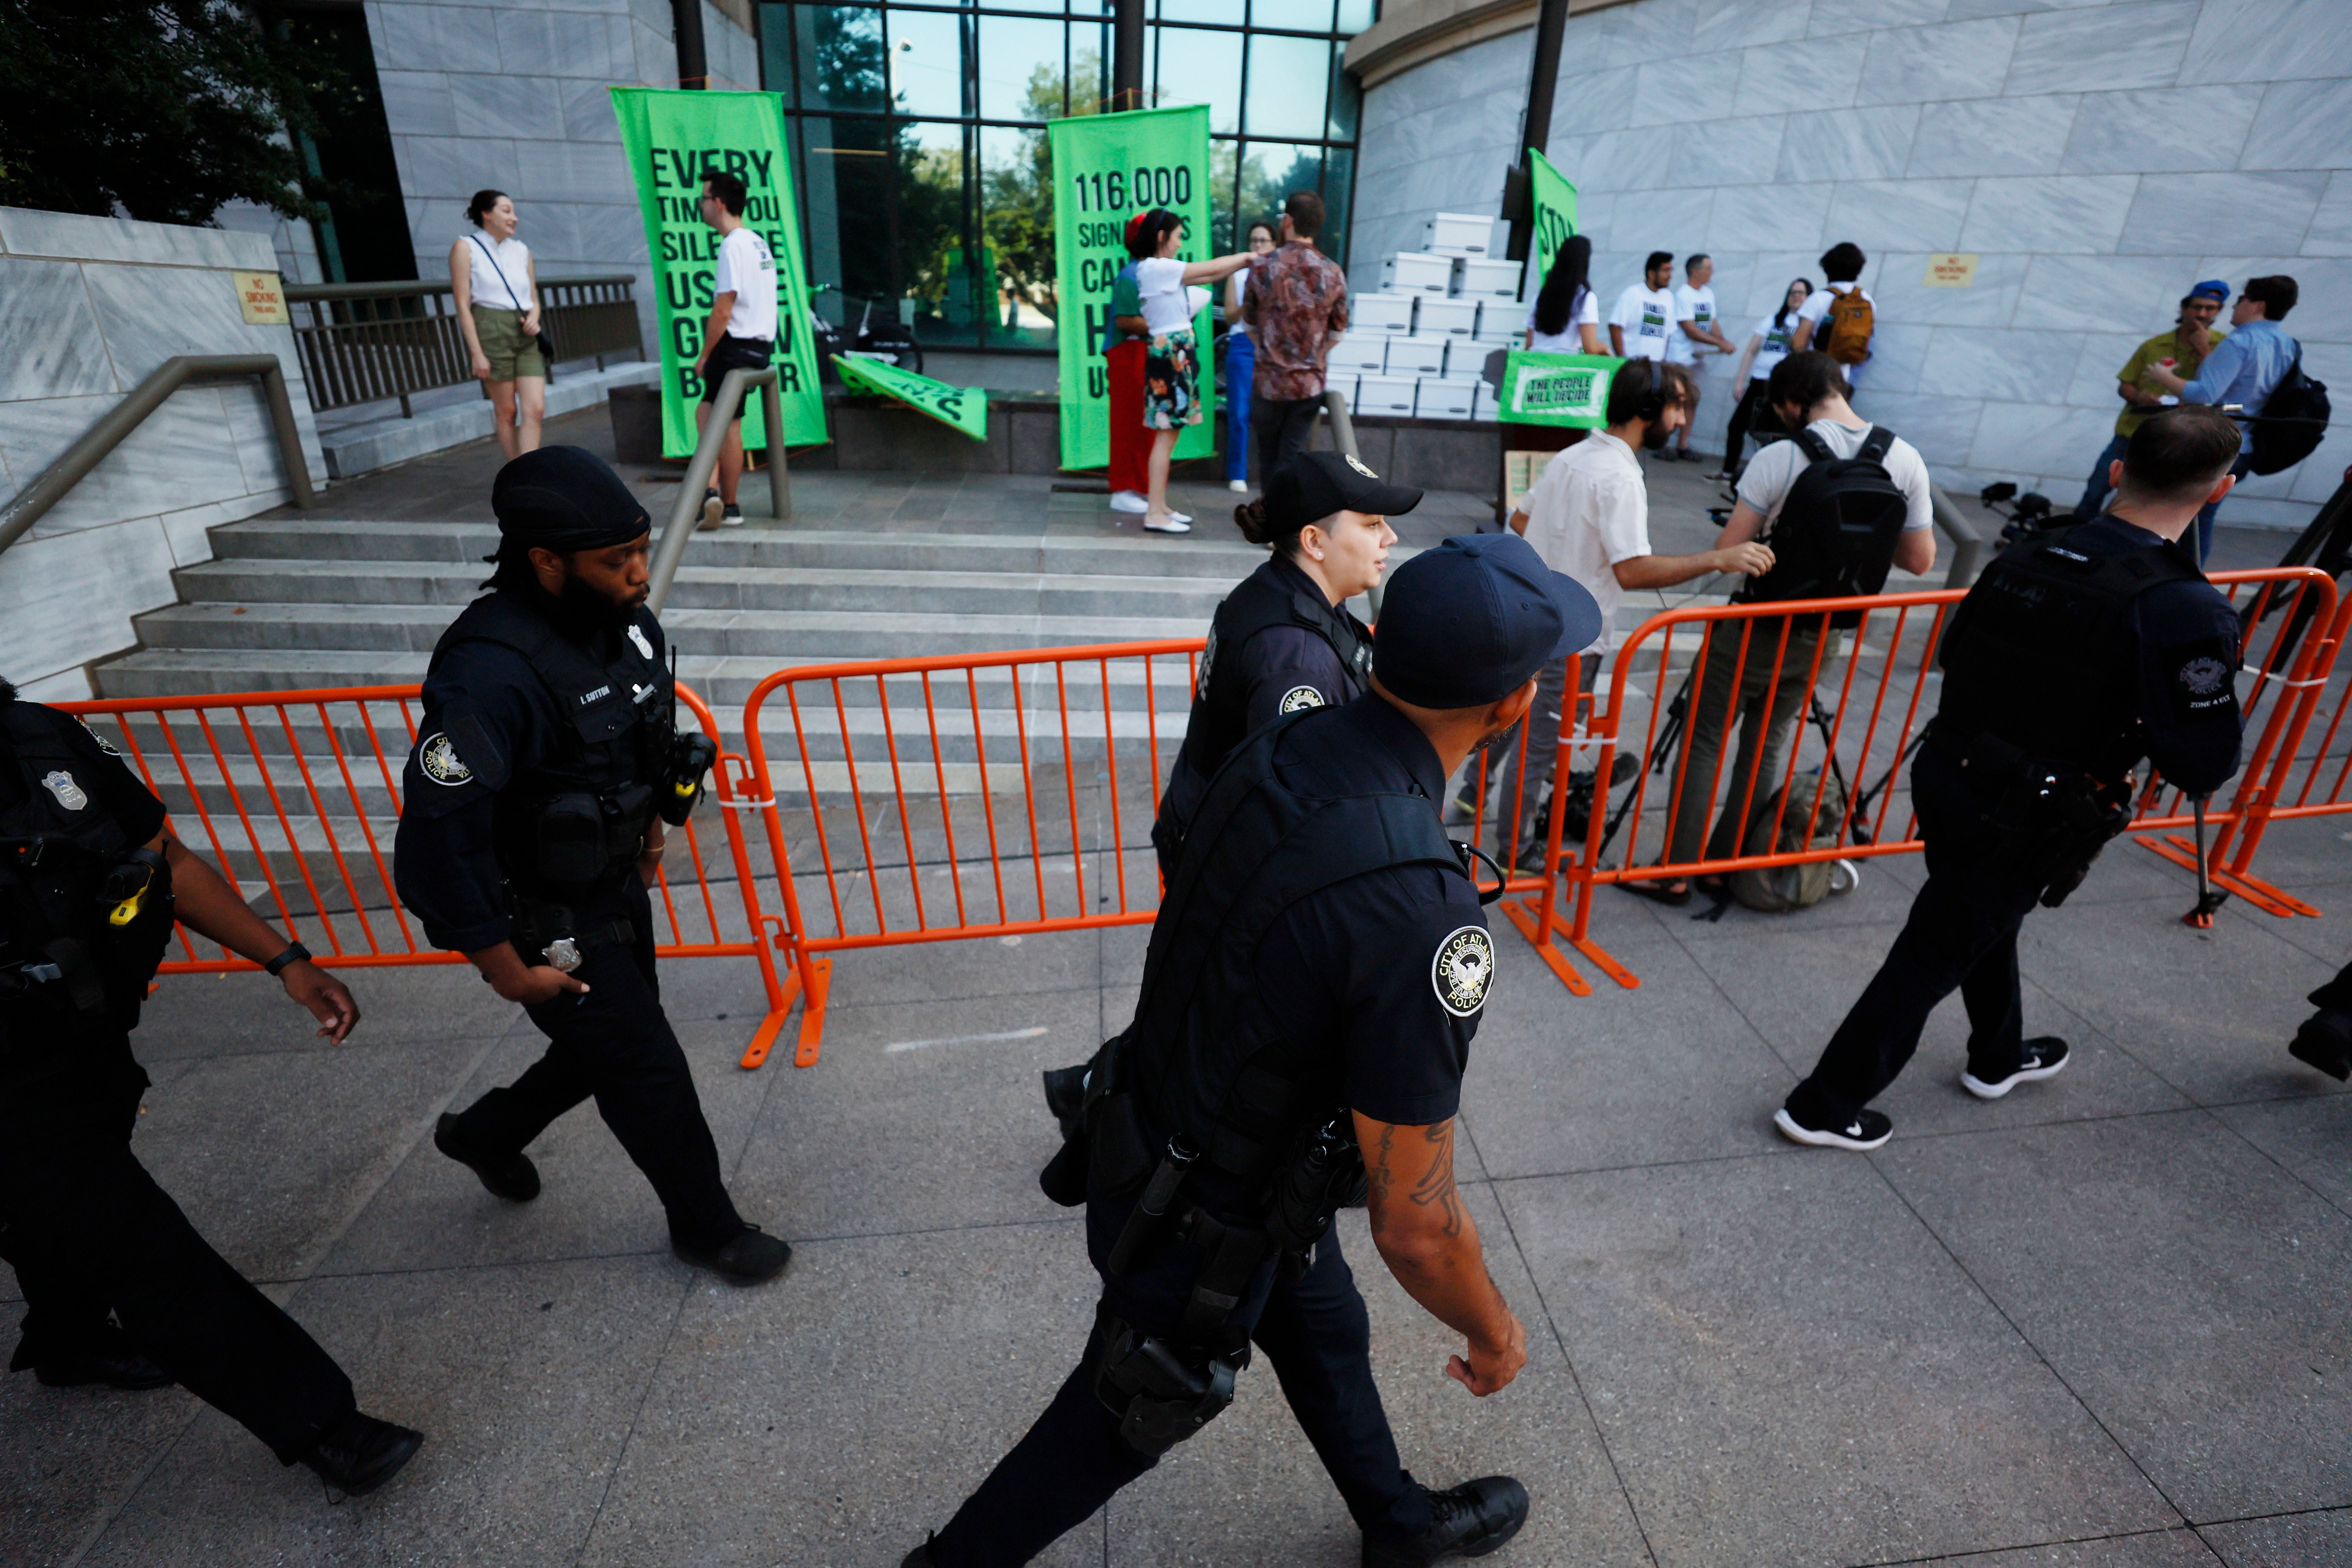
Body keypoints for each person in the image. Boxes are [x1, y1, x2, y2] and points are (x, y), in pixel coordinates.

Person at [906, 532, 1602, 1568]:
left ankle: (1398, 1523)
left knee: (1322, 1327)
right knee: (1112, 1425)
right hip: (1197, 1223)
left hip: (1162, 1137)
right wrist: (1496, 1330)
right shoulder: (1417, 907)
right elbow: (1417, 1224)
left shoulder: (1278, 747)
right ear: (1511, 707)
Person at [1777, 407, 2249, 1149]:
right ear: (2219, 491)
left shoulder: (2032, 554)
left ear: (2120, 471)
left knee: (1980, 920)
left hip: (1953, 773)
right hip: (2031, 811)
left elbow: (1954, 655)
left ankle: (1997, 1056)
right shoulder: (2181, 605)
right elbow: (2203, 761)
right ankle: (1823, 1105)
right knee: (1936, 948)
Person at [0, 681, 421, 1495]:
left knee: (62, 1206)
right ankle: (324, 1424)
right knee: (140, 1246)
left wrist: (286, 959)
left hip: (83, 1046)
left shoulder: (40, 738)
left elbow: (166, 859)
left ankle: (67, 1333)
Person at [392, 446, 789, 1287]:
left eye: (641, 550)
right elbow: (436, 838)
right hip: (543, 917)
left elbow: (639, 742)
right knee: (643, 1061)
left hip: (612, 885)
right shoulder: (487, 674)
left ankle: (487, 1133)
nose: (642, 573)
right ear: (545, 561)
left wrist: (653, 829)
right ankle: (708, 1228)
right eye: (618, 561)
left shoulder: (629, 623)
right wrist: (505, 968)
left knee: (602, 1044)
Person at [1634, 351, 1934, 904]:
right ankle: (1726, 866)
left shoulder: (1780, 458)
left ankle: (1675, 869)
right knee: (1766, 743)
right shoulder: (1904, 458)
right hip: (1826, 633)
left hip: (1756, 624)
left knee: (1705, 741)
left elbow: (1729, 550)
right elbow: (1920, 559)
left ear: (1794, 404)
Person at [1492, 359, 1774, 869]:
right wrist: (1718, 558)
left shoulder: (1574, 455)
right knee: (1539, 746)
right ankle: (1515, 849)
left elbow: (1520, 517)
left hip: (1538, 620)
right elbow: (1633, 571)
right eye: (1678, 406)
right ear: (1649, 410)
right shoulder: (1620, 476)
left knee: (1529, 733)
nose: (1683, 420)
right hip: (1571, 637)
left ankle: (1510, 810)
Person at [1151, 449, 1412, 877]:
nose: (1390, 537)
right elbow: (1295, 808)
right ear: (1313, 541)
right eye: (1371, 524)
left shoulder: (1281, 589)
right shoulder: (1296, 657)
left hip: (1205, 833)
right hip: (1227, 865)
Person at [2141, 274, 2302, 563]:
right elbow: (2255, 398)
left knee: (2183, 518)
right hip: (2246, 443)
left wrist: (2165, 377)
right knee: (2199, 518)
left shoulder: (2241, 342)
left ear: (2257, 305)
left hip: (2214, 441)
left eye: (2242, 300)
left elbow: (2205, 395)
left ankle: (2182, 580)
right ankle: (2186, 580)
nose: (2235, 307)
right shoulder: (2287, 344)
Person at [1133, 209, 1257, 535]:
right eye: (1177, 236)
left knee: (1168, 435)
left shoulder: (1158, 270)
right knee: (1166, 435)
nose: (1179, 243)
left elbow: (1205, 277)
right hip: (1172, 354)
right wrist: (1245, 258)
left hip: (1173, 353)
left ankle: (1159, 507)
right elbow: (1211, 269)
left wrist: (1241, 263)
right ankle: (1154, 513)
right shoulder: (1157, 267)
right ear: (1162, 237)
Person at [2071, 281, 2231, 523]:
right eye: (2197, 307)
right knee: (2097, 488)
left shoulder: (2223, 347)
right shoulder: (2155, 345)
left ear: (2219, 312)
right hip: (2132, 433)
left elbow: (2219, 389)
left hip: (2177, 439)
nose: (2202, 314)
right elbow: (2125, 385)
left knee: (2146, 503)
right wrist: (2140, 396)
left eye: (2211, 309)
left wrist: (2204, 350)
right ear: (2184, 308)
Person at [690, 171, 779, 531]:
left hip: (733, 347)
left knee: (707, 417)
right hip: (761, 348)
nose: (700, 206)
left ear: (719, 203)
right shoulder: (758, 243)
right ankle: (730, 506)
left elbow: (723, 309)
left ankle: (710, 493)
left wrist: (705, 354)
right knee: (730, 424)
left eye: (703, 199)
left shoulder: (731, 245)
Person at [1244, 190, 1351, 478]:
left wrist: (1270, 351)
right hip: (1308, 384)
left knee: (1267, 456)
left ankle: (1269, 519)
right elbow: (1338, 332)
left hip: (1268, 381)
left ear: (1288, 220)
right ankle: (1286, 520)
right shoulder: (1333, 272)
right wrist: (1312, 355)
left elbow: (1250, 325)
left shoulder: (1262, 266)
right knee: (1291, 456)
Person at [452, 189, 544, 463]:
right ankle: (515, 472)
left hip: (525, 331)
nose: (514, 218)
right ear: (486, 214)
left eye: (514, 212)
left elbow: (534, 299)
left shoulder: (522, 250)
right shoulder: (466, 247)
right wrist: (477, 353)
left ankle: (531, 472)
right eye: (506, 211)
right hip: (490, 328)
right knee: (507, 411)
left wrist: (535, 318)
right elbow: (462, 304)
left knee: (535, 409)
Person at [1719, 277, 1812, 483]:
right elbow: (1751, 351)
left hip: (1783, 388)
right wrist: (1740, 382)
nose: (1796, 296)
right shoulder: (1773, 320)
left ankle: (1767, 479)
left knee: (1771, 434)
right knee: (1737, 426)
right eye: (1793, 292)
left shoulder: (1808, 326)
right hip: (1758, 382)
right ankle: (1728, 472)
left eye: (1801, 293)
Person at [1222, 220, 1279, 494]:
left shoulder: (1281, 272)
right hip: (1243, 342)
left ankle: (1274, 476)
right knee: (1240, 412)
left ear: (1274, 244)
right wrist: (1250, 301)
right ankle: (1237, 473)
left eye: (1263, 241)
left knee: (1273, 414)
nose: (1258, 245)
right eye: (1254, 240)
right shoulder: (1238, 275)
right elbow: (1229, 314)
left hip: (1272, 345)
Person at [1663, 254, 1735, 464]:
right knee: (1674, 400)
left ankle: (1683, 445)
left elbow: (1711, 322)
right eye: (1708, 268)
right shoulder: (1683, 295)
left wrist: (1723, 341)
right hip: (1680, 357)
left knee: (1693, 400)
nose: (1712, 272)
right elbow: (1689, 329)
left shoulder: (1707, 294)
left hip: (1698, 358)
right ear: (1695, 271)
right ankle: (1664, 442)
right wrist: (1719, 344)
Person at [1106, 214, 1154, 518]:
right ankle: (1123, 489)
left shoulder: (1146, 273)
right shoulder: (1130, 275)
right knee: (1128, 424)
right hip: (1128, 353)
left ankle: (1137, 487)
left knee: (1143, 425)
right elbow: (1124, 320)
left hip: (1142, 352)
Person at [1790, 242, 1873, 390]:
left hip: (1815, 376)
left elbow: (1798, 344)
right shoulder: (1866, 300)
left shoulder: (1819, 298)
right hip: (1843, 379)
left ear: (1828, 268)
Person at [1523, 235, 1604, 354]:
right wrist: (1605, 348)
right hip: (1565, 366)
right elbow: (1590, 348)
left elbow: (1530, 344)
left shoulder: (1541, 296)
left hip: (1535, 363)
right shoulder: (1585, 298)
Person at [1608, 251, 1676, 363]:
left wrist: (1663, 361)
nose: (1670, 275)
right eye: (1665, 271)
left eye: (1671, 270)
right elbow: (1615, 326)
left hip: (1657, 365)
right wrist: (1622, 359)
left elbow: (1668, 334)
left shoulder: (1669, 298)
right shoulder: (1632, 294)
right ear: (1652, 274)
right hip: (1634, 364)